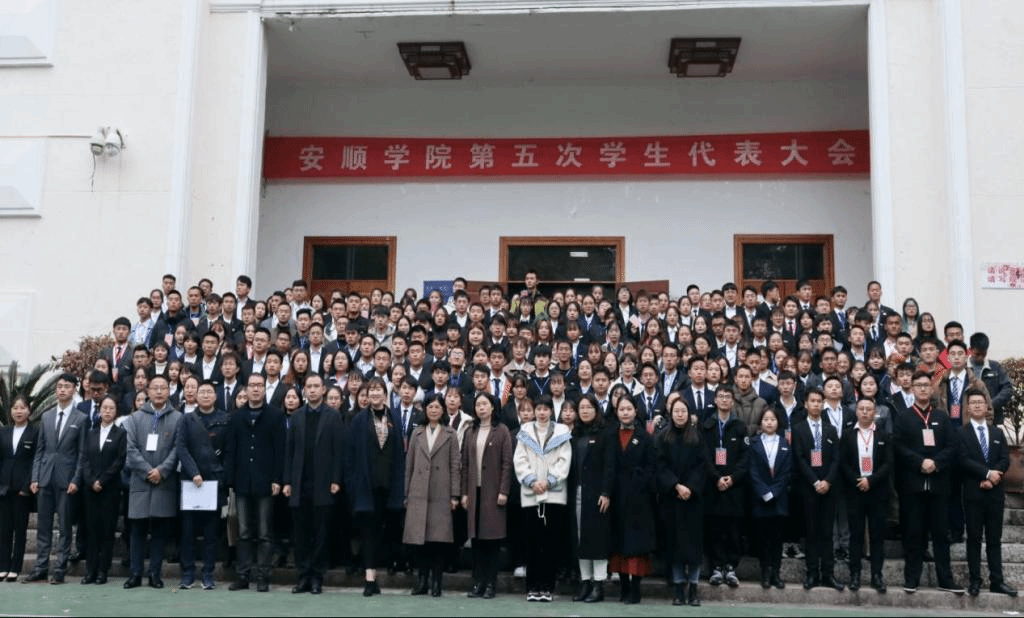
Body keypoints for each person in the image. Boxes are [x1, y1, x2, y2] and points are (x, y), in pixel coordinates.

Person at [893, 371, 963, 594]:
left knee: (941, 535)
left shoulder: (942, 417)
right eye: (919, 385)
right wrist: (919, 462)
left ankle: (945, 580)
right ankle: (912, 578)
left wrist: (936, 462)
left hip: (939, 484)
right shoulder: (903, 417)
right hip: (912, 484)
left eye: (926, 385)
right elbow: (898, 447)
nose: (923, 389)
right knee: (913, 533)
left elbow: (952, 446)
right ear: (912, 388)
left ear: (932, 389)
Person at [224, 373, 285, 592]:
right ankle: (243, 575)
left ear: (265, 389)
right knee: (243, 532)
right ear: (246, 389)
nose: (256, 389)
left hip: (266, 481)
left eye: (260, 385)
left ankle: (263, 576)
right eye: (252, 385)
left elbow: (280, 451)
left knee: (264, 532)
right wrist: (230, 478)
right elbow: (231, 450)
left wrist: (278, 478)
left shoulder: (275, 416)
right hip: (242, 481)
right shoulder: (237, 417)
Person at [283, 374, 343, 595]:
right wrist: (287, 481)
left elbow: (339, 451)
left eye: (317, 386)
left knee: (320, 534)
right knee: (300, 534)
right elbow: (289, 451)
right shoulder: (297, 416)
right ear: (304, 390)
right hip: (300, 483)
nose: (313, 390)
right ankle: (303, 576)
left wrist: (336, 479)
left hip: (324, 483)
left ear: (323, 390)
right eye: (309, 386)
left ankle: (317, 577)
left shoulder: (333, 416)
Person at [346, 377, 405, 597]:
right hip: (366, 486)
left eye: (378, 389)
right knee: (368, 531)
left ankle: (387, 566)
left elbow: (400, 452)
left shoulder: (395, 418)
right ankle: (369, 578)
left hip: (390, 485)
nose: (375, 393)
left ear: (385, 394)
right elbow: (350, 456)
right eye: (371, 390)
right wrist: (353, 484)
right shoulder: (359, 420)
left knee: (386, 530)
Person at [123, 374, 183, 589]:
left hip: (164, 482)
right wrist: (148, 471)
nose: (158, 392)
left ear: (169, 391)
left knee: (160, 531)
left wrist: (162, 471)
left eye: (163, 388)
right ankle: (135, 573)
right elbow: (129, 449)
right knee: (137, 531)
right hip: (140, 482)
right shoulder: (134, 418)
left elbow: (178, 449)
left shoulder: (178, 418)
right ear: (147, 391)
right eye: (155, 388)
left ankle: (155, 574)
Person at [27, 373, 87, 585]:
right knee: (43, 526)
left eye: (67, 386)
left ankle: (60, 568)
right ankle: (40, 567)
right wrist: (35, 477)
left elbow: (82, 454)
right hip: (45, 478)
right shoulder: (46, 416)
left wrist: (76, 479)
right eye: (59, 386)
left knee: (64, 527)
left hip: (67, 480)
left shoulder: (81, 419)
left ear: (74, 390)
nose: (62, 389)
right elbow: (40, 450)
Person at [959, 387, 1017, 597]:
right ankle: (975, 580)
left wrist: (994, 477)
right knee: (974, 538)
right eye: (973, 402)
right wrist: (986, 474)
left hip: (995, 494)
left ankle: (997, 581)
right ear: (968, 407)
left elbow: (1004, 459)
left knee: (994, 539)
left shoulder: (997, 433)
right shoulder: (961, 433)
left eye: (980, 402)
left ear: (987, 406)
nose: (977, 405)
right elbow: (963, 460)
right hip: (973, 492)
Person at [513, 397, 572, 603]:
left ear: (551, 411)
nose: (542, 412)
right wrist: (532, 481)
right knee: (532, 542)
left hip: (554, 494)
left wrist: (549, 481)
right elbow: (519, 459)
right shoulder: (525, 431)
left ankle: (547, 587)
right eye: (538, 408)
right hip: (531, 494)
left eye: (546, 409)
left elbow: (565, 460)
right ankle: (532, 587)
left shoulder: (562, 431)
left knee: (550, 543)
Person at [403, 393, 461, 597]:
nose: (434, 410)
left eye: (437, 407)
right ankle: (422, 582)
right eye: (430, 407)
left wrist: (455, 495)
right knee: (420, 541)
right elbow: (409, 465)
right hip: (418, 492)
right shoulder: (417, 433)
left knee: (438, 541)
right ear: (425, 410)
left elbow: (455, 465)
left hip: (441, 492)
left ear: (443, 410)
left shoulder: (450, 434)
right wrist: (407, 493)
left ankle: (437, 582)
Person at [176, 381, 230, 590]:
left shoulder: (224, 419)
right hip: (191, 483)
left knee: (211, 533)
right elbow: (181, 448)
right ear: (195, 396)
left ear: (215, 396)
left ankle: (208, 574)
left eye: (209, 392)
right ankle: (188, 573)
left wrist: (221, 474)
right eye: (202, 392)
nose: (206, 395)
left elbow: (229, 451)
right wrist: (194, 472)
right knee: (187, 532)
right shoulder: (187, 419)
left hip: (214, 482)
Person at [461, 393, 513, 600]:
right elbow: (465, 464)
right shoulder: (470, 431)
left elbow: (507, 463)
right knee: (477, 541)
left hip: (493, 493)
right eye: (478, 404)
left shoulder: (502, 431)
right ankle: (478, 582)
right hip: (474, 492)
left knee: (492, 541)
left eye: (485, 404)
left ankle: (491, 583)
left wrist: (504, 491)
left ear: (493, 407)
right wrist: (464, 492)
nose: (481, 408)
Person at [792, 387, 844, 591]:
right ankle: (812, 573)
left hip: (829, 488)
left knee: (827, 533)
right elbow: (799, 459)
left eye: (819, 401)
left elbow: (837, 459)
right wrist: (815, 482)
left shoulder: (831, 429)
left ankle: (828, 574)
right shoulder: (798, 429)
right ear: (806, 404)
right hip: (808, 488)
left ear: (823, 404)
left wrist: (827, 481)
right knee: (811, 531)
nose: (816, 404)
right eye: (812, 401)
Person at [656, 398, 707, 606]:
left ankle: (693, 588)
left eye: (683, 411)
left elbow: (703, 465)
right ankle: (678, 588)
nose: (679, 415)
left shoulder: (697, 437)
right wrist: (676, 485)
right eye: (676, 411)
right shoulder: (663, 437)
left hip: (693, 500)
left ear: (688, 413)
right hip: (672, 499)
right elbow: (660, 466)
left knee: (693, 547)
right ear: (671, 413)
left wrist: (690, 488)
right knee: (674, 545)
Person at [839, 397, 892, 593]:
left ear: (875, 412)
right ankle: (855, 574)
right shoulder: (847, 435)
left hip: (877, 491)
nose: (864, 412)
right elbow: (843, 462)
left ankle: (877, 575)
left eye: (868, 409)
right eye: (861, 408)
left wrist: (871, 480)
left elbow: (888, 463)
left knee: (877, 535)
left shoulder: (883, 435)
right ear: (856, 411)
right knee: (856, 535)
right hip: (855, 490)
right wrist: (858, 480)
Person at [608, 396, 657, 605]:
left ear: (636, 411)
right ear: (616, 412)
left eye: (629, 408)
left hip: (639, 499)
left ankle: (635, 589)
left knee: (636, 545)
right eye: (622, 409)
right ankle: (624, 587)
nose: (625, 412)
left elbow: (651, 467)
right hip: (616, 497)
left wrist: (639, 483)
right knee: (618, 543)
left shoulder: (645, 437)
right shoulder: (610, 435)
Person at [701, 387, 748, 589]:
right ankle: (716, 567)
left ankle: (731, 567)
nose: (724, 400)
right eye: (720, 396)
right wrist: (716, 478)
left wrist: (732, 478)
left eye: (728, 397)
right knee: (714, 527)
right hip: (713, 486)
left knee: (733, 529)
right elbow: (704, 456)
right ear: (715, 400)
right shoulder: (707, 426)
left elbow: (745, 457)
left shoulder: (740, 426)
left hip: (734, 487)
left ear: (733, 401)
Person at [568, 394, 612, 603]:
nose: (584, 411)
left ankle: (598, 584)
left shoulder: (605, 434)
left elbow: (610, 466)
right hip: (577, 492)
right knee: (581, 538)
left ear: (596, 410)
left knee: (597, 538)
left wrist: (606, 492)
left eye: (589, 407)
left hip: (597, 494)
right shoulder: (574, 434)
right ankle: (585, 581)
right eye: (581, 407)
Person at [78, 395, 125, 586]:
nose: (107, 411)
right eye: (104, 408)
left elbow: (119, 461)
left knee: (107, 531)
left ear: (116, 412)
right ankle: (90, 570)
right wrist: (91, 481)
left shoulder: (120, 434)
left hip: (110, 489)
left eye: (111, 408)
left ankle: (103, 571)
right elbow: (84, 459)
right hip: (90, 490)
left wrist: (102, 481)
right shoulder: (91, 433)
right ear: (99, 411)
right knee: (91, 530)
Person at [749, 407, 791, 591]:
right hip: (760, 498)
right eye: (766, 419)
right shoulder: (754, 443)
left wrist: (774, 492)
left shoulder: (784, 443)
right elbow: (752, 471)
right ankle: (765, 572)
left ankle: (776, 573)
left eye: (772, 419)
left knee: (777, 539)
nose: (769, 422)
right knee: (763, 538)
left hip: (779, 498)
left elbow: (787, 472)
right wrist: (764, 492)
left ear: (778, 422)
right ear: (761, 422)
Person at [0, 396, 39, 582]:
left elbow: (35, 461)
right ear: (11, 411)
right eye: (15, 408)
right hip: (3, 488)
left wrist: (27, 486)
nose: (18, 411)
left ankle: (15, 568)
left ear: (29, 411)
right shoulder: (4, 432)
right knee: (4, 530)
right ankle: (3, 566)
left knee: (20, 530)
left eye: (22, 408)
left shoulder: (34, 432)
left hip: (23, 489)